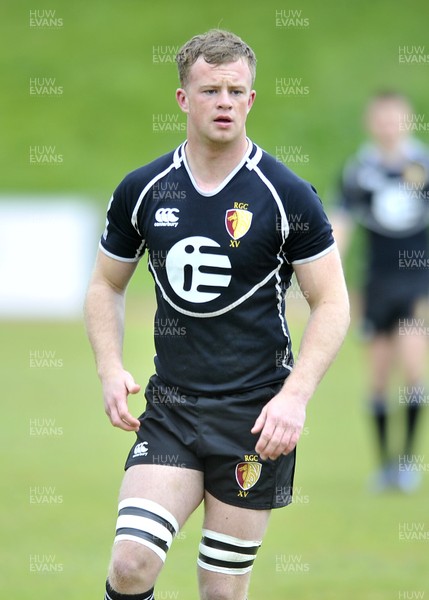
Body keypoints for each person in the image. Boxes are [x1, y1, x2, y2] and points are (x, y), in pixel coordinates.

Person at [84, 29, 350, 600]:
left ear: (251, 100)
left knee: (221, 590)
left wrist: (295, 396)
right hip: (172, 409)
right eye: (210, 90)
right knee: (131, 563)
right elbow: (106, 283)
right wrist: (109, 367)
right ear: (184, 99)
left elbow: (332, 302)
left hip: (255, 419)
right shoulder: (144, 189)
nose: (224, 101)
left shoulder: (286, 193)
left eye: (235, 90)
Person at [332, 91, 429, 493]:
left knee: (412, 368)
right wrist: (328, 271)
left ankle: (407, 463)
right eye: (382, 118)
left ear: (407, 121)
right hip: (376, 283)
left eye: (396, 118)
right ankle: (385, 465)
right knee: (377, 377)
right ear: (371, 122)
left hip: (418, 282)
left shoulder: (423, 164)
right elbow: (341, 224)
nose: (389, 124)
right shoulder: (359, 170)